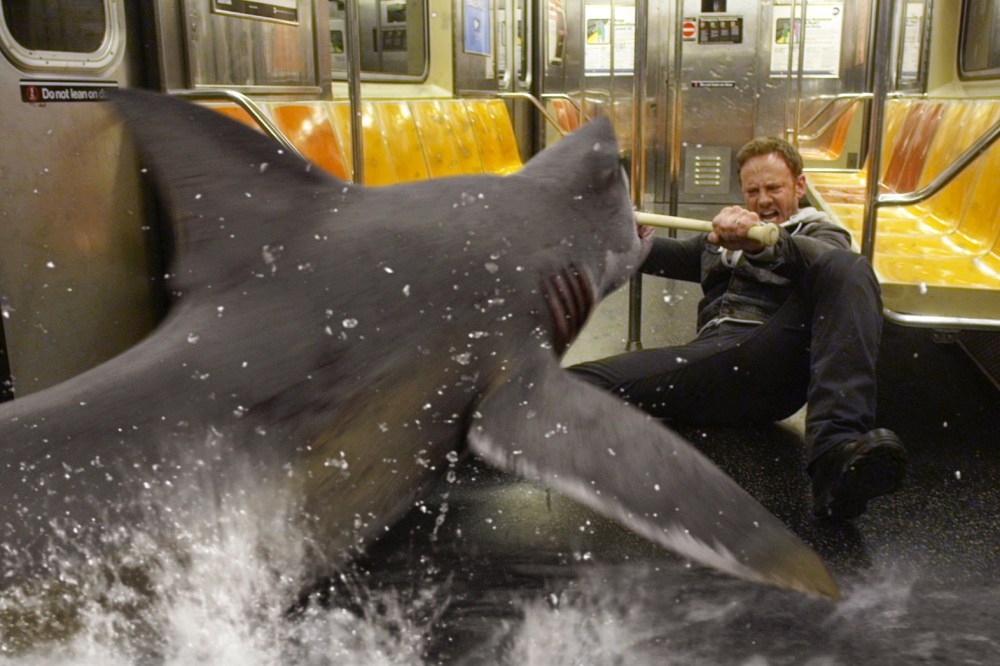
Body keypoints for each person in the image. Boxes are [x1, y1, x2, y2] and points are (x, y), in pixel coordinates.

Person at [569, 136, 906, 521]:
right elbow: (665, 255)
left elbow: (821, 259)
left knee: (850, 268)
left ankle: (836, 456)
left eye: (774, 188)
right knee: (586, 383)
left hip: (775, 358)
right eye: (753, 190)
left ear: (799, 186)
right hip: (720, 368)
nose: (763, 200)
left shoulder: (820, 233)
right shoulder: (721, 243)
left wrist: (764, 244)